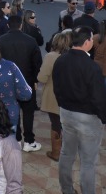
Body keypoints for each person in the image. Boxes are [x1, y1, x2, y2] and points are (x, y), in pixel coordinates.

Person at [53, 26, 106, 194]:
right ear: (86, 42)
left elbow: (57, 88)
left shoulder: (60, 60)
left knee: (66, 154)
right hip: (87, 118)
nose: (93, 42)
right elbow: (98, 97)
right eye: (92, 39)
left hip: (66, 113)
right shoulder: (92, 67)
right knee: (88, 162)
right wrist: (103, 117)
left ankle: (67, 190)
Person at [0, 15, 43, 152]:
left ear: (7, 26)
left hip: (7, 83)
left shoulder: (0, 41)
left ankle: (16, 138)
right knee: (29, 112)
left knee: (12, 111)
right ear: (21, 25)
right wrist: (35, 80)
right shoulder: (31, 41)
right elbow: (37, 63)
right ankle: (29, 141)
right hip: (27, 82)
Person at [38, 31, 72, 161]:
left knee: (56, 124)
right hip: (70, 96)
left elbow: (42, 77)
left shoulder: (51, 56)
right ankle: (67, 151)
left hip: (53, 96)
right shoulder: (72, 56)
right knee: (67, 124)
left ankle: (56, 153)